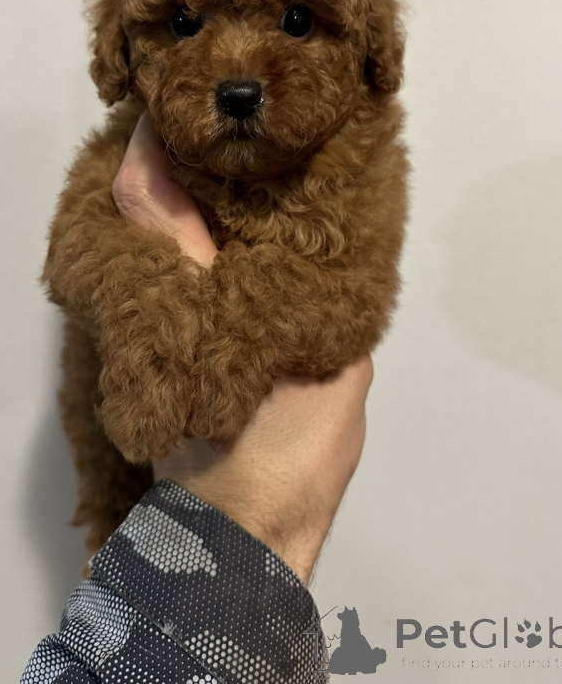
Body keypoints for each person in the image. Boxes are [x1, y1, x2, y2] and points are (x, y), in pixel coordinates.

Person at [21, 117, 374, 683]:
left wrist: (235, 338)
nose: (239, 81)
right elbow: (74, 255)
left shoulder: (359, 160)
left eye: (298, 23)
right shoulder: (120, 161)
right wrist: (156, 333)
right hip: (126, 501)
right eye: (185, 27)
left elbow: (354, 292)